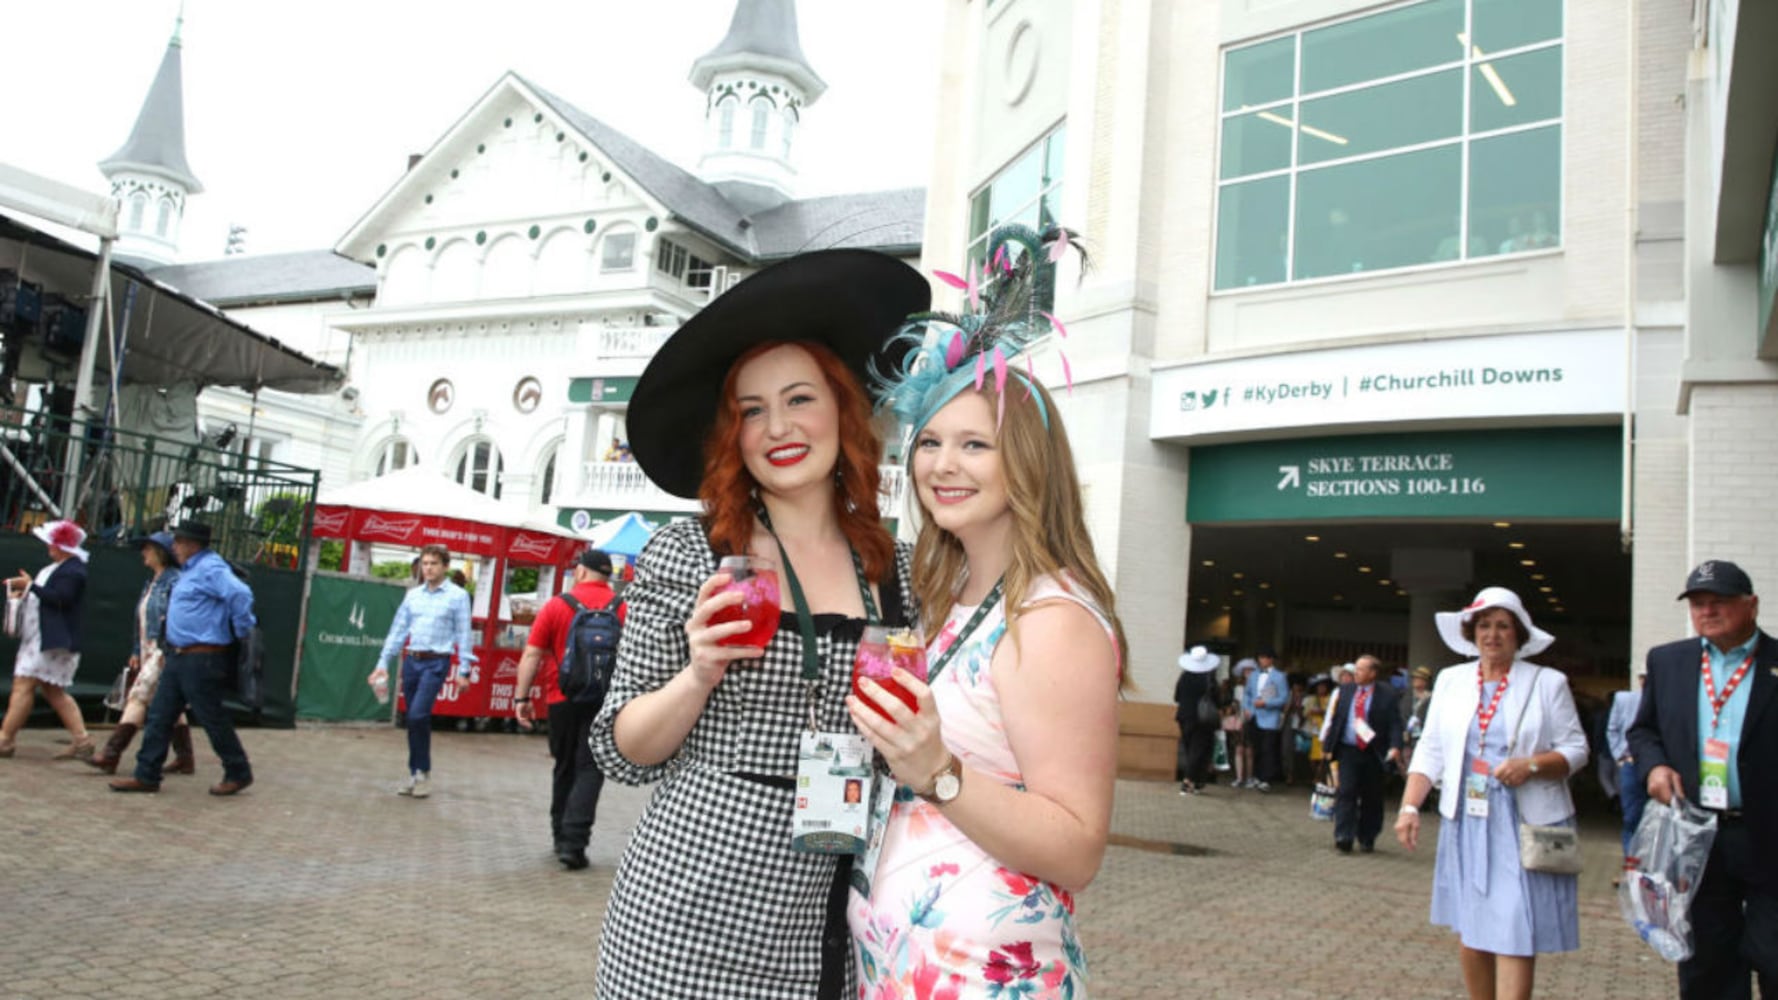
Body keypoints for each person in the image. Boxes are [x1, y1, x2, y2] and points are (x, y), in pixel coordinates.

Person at [587, 248, 927, 1000]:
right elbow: (620, 751)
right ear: (731, 435)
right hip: (686, 913)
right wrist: (700, 670)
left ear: (844, 409)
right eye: (751, 409)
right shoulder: (693, 554)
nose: (779, 426)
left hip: (832, 918)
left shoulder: (898, 573)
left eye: (801, 398)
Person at [846, 226, 1125, 999]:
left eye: (974, 445)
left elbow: (1076, 849)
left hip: (991, 981)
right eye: (930, 442)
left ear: (1026, 461)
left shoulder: (1052, 619)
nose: (941, 465)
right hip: (897, 970)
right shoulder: (944, 602)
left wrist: (934, 768)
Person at [1395, 587, 1587, 998]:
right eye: (1484, 625)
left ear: (1518, 634)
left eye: (1503, 626)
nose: (1493, 634)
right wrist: (1410, 806)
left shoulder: (1546, 682)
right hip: (1468, 817)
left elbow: (1577, 750)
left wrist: (1531, 765)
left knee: (1516, 924)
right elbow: (1430, 750)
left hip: (1525, 819)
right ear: (1471, 632)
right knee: (1472, 925)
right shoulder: (1451, 680)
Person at [1628, 560, 1776, 998]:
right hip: (1695, 834)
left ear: (1751, 605)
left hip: (1767, 832)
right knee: (1707, 963)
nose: (1707, 611)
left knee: (1771, 952)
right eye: (1697, 603)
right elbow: (1643, 730)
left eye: (1719, 602)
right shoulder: (1668, 661)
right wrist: (1653, 766)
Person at [111, 522, 258, 795]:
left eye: (177, 542)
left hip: (202, 656)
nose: (174, 547)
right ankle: (146, 774)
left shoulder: (211, 568)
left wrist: (240, 632)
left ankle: (238, 770)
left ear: (192, 544)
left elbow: (240, 594)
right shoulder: (191, 571)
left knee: (211, 716)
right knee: (159, 715)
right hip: (179, 655)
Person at [512, 547, 626, 871]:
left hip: (560, 698)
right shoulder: (623, 607)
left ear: (579, 571)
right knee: (590, 769)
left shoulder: (557, 605)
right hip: (604, 701)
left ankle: (559, 834)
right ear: (608, 576)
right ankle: (574, 844)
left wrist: (522, 699)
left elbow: (532, 655)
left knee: (564, 766)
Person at [368, 543, 475, 799]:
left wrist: (464, 669)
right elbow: (398, 630)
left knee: (418, 715)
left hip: (437, 660)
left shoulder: (457, 596)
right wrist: (383, 662)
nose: (428, 568)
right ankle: (415, 773)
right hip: (413, 660)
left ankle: (423, 771)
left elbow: (464, 633)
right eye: (425, 563)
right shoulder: (413, 595)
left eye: (433, 564)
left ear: (445, 567)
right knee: (411, 718)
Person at [85, 531, 194, 775]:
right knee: (169, 702)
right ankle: (185, 758)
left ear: (160, 553)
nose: (143, 553)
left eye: (148, 548)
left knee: (138, 696)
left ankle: (111, 753)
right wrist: (137, 649)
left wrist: (168, 647)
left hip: (162, 649)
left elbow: (175, 619)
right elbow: (141, 619)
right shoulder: (152, 582)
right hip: (149, 649)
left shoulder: (174, 582)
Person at [0, 519, 92, 760]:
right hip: (40, 639)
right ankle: (82, 740)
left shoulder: (73, 570)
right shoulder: (56, 569)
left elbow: (61, 598)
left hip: (50, 641)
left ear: (62, 546)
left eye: (52, 543)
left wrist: (30, 586)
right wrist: (28, 591)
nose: (48, 547)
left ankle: (5, 740)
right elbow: (45, 597)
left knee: (24, 685)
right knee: (54, 691)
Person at [1321, 654, 1402, 853]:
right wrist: (1328, 746)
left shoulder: (1387, 694)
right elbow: (1337, 719)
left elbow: (1394, 724)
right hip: (1348, 749)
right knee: (1346, 792)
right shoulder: (1345, 691)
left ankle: (1367, 836)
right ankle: (1343, 836)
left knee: (1371, 796)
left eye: (1361, 669)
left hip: (1373, 751)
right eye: (1355, 669)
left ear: (1373, 673)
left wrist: (1395, 746)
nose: (1356, 673)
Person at [1604, 671, 1645, 871]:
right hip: (1631, 763)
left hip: (1655, 767)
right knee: (1631, 816)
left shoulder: (1667, 699)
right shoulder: (1625, 699)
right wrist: (1620, 756)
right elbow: (1612, 728)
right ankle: (1631, 863)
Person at [1174, 645, 1220, 794]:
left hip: (1184, 716)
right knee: (1198, 750)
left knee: (1190, 748)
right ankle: (1188, 781)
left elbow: (1176, 697)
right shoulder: (1208, 678)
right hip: (1202, 719)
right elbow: (1217, 699)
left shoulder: (1184, 676)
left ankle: (1194, 781)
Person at [1246, 648, 1288, 789]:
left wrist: (1266, 703)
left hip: (1270, 717)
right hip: (1254, 715)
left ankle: (1267, 778)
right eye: (1260, 657)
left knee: (1268, 748)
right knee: (1256, 747)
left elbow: (1283, 698)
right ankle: (1257, 776)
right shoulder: (1253, 675)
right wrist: (1246, 708)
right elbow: (1247, 693)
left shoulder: (1279, 676)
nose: (1261, 660)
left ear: (1271, 659)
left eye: (1264, 657)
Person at [1401, 665, 1435, 765]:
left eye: (1419, 678)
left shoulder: (1433, 698)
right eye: (1414, 678)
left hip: (1423, 738)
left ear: (1426, 681)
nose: (1415, 680)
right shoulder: (1406, 695)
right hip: (1406, 737)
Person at [1232, 657, 1258, 787]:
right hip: (1240, 721)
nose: (1248, 673)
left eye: (1250, 670)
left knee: (1249, 750)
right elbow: (1236, 706)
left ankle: (1249, 778)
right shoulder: (1238, 688)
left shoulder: (1259, 687)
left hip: (1253, 721)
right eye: (1245, 671)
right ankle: (1239, 777)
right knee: (1239, 749)